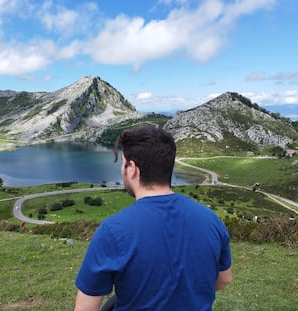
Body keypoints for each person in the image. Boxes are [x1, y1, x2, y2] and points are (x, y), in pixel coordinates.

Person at [74, 126, 233, 311]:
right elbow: (224, 280)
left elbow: (86, 308)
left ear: (132, 169)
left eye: (123, 163)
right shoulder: (211, 219)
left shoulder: (112, 230)